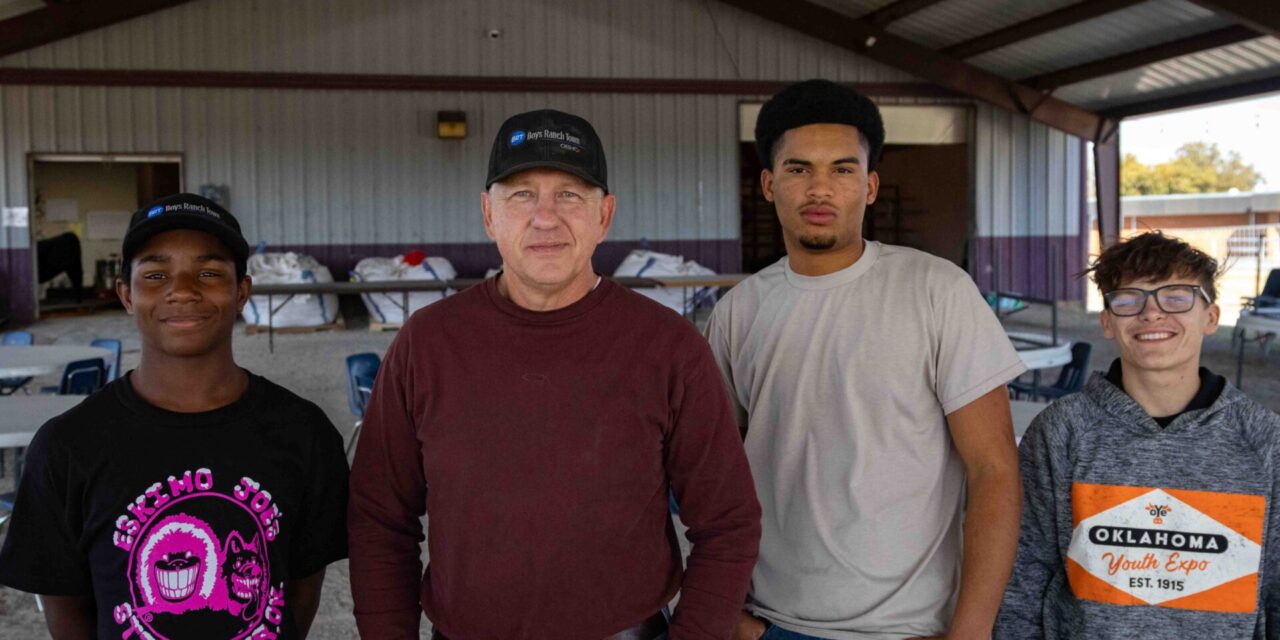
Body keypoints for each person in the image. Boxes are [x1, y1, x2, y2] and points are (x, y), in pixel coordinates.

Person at [347, 109, 761, 640]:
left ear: (605, 215)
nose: (545, 218)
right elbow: (380, 519)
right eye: (522, 195)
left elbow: (727, 522)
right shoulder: (426, 344)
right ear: (488, 213)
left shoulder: (669, 346)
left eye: (570, 194)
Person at [706, 79, 1026, 639]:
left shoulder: (937, 291)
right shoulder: (739, 311)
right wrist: (730, 615)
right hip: (771, 624)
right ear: (769, 184)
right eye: (798, 169)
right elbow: (713, 474)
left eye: (842, 169)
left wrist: (970, 632)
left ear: (870, 185)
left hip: (907, 629)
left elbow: (994, 471)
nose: (819, 188)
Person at [0, 193, 350, 639]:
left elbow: (301, 590)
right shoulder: (67, 446)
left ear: (242, 292)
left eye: (209, 273)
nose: (183, 290)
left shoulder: (305, 433)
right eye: (155, 275)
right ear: (126, 295)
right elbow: (66, 608)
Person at [996, 231, 1280, 639]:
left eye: (1177, 297)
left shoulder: (1265, 440)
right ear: (1107, 322)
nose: (1151, 313)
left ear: (1211, 317)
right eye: (1129, 300)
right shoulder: (1062, 432)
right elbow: (1023, 576)